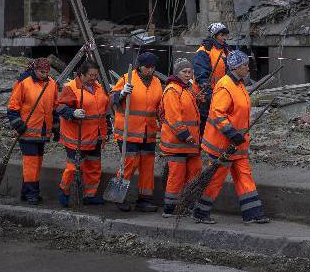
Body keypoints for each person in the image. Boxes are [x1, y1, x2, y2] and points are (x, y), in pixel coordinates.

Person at [193, 49, 269, 225]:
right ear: (236, 67)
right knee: (215, 179)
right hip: (223, 145)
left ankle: (253, 213)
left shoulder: (239, 84)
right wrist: (232, 134)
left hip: (237, 143)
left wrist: (237, 137)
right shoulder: (225, 85)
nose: (247, 68)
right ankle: (200, 212)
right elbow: (218, 114)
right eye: (244, 65)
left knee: (245, 176)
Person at [110, 51, 163, 212]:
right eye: (147, 67)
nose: (150, 70)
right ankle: (119, 197)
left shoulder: (156, 82)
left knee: (147, 166)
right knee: (128, 164)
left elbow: (159, 105)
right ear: (140, 67)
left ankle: (144, 199)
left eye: (153, 67)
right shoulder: (127, 79)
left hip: (149, 132)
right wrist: (122, 93)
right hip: (129, 132)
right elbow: (112, 99)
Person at [54, 62, 110, 207]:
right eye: (91, 75)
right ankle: (64, 192)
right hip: (76, 137)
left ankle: (89, 195)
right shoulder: (71, 88)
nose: (94, 78)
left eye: (96, 75)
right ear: (82, 74)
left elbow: (103, 112)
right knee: (73, 168)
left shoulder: (98, 87)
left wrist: (105, 133)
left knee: (93, 166)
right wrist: (72, 113)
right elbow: (59, 107)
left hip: (94, 137)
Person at [6, 57, 58, 204]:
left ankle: (26, 192)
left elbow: (53, 108)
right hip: (27, 132)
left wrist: (56, 128)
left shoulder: (52, 84)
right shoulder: (24, 83)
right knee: (31, 164)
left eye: (47, 72)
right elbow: (12, 107)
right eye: (42, 72)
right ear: (35, 70)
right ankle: (32, 194)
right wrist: (18, 125)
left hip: (42, 132)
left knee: (36, 163)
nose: (45, 74)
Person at [159, 57, 202, 217]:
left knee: (194, 172)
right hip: (177, 142)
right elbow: (173, 117)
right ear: (177, 73)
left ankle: (187, 204)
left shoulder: (186, 89)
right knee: (176, 176)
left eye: (190, 72)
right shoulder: (172, 90)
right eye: (184, 72)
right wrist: (185, 134)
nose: (188, 74)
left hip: (190, 142)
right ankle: (170, 209)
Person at [193, 22, 230, 128]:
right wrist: (209, 95)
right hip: (206, 96)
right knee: (205, 124)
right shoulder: (204, 51)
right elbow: (201, 76)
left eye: (225, 35)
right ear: (214, 36)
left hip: (221, 93)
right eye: (222, 35)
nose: (224, 38)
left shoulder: (226, 51)